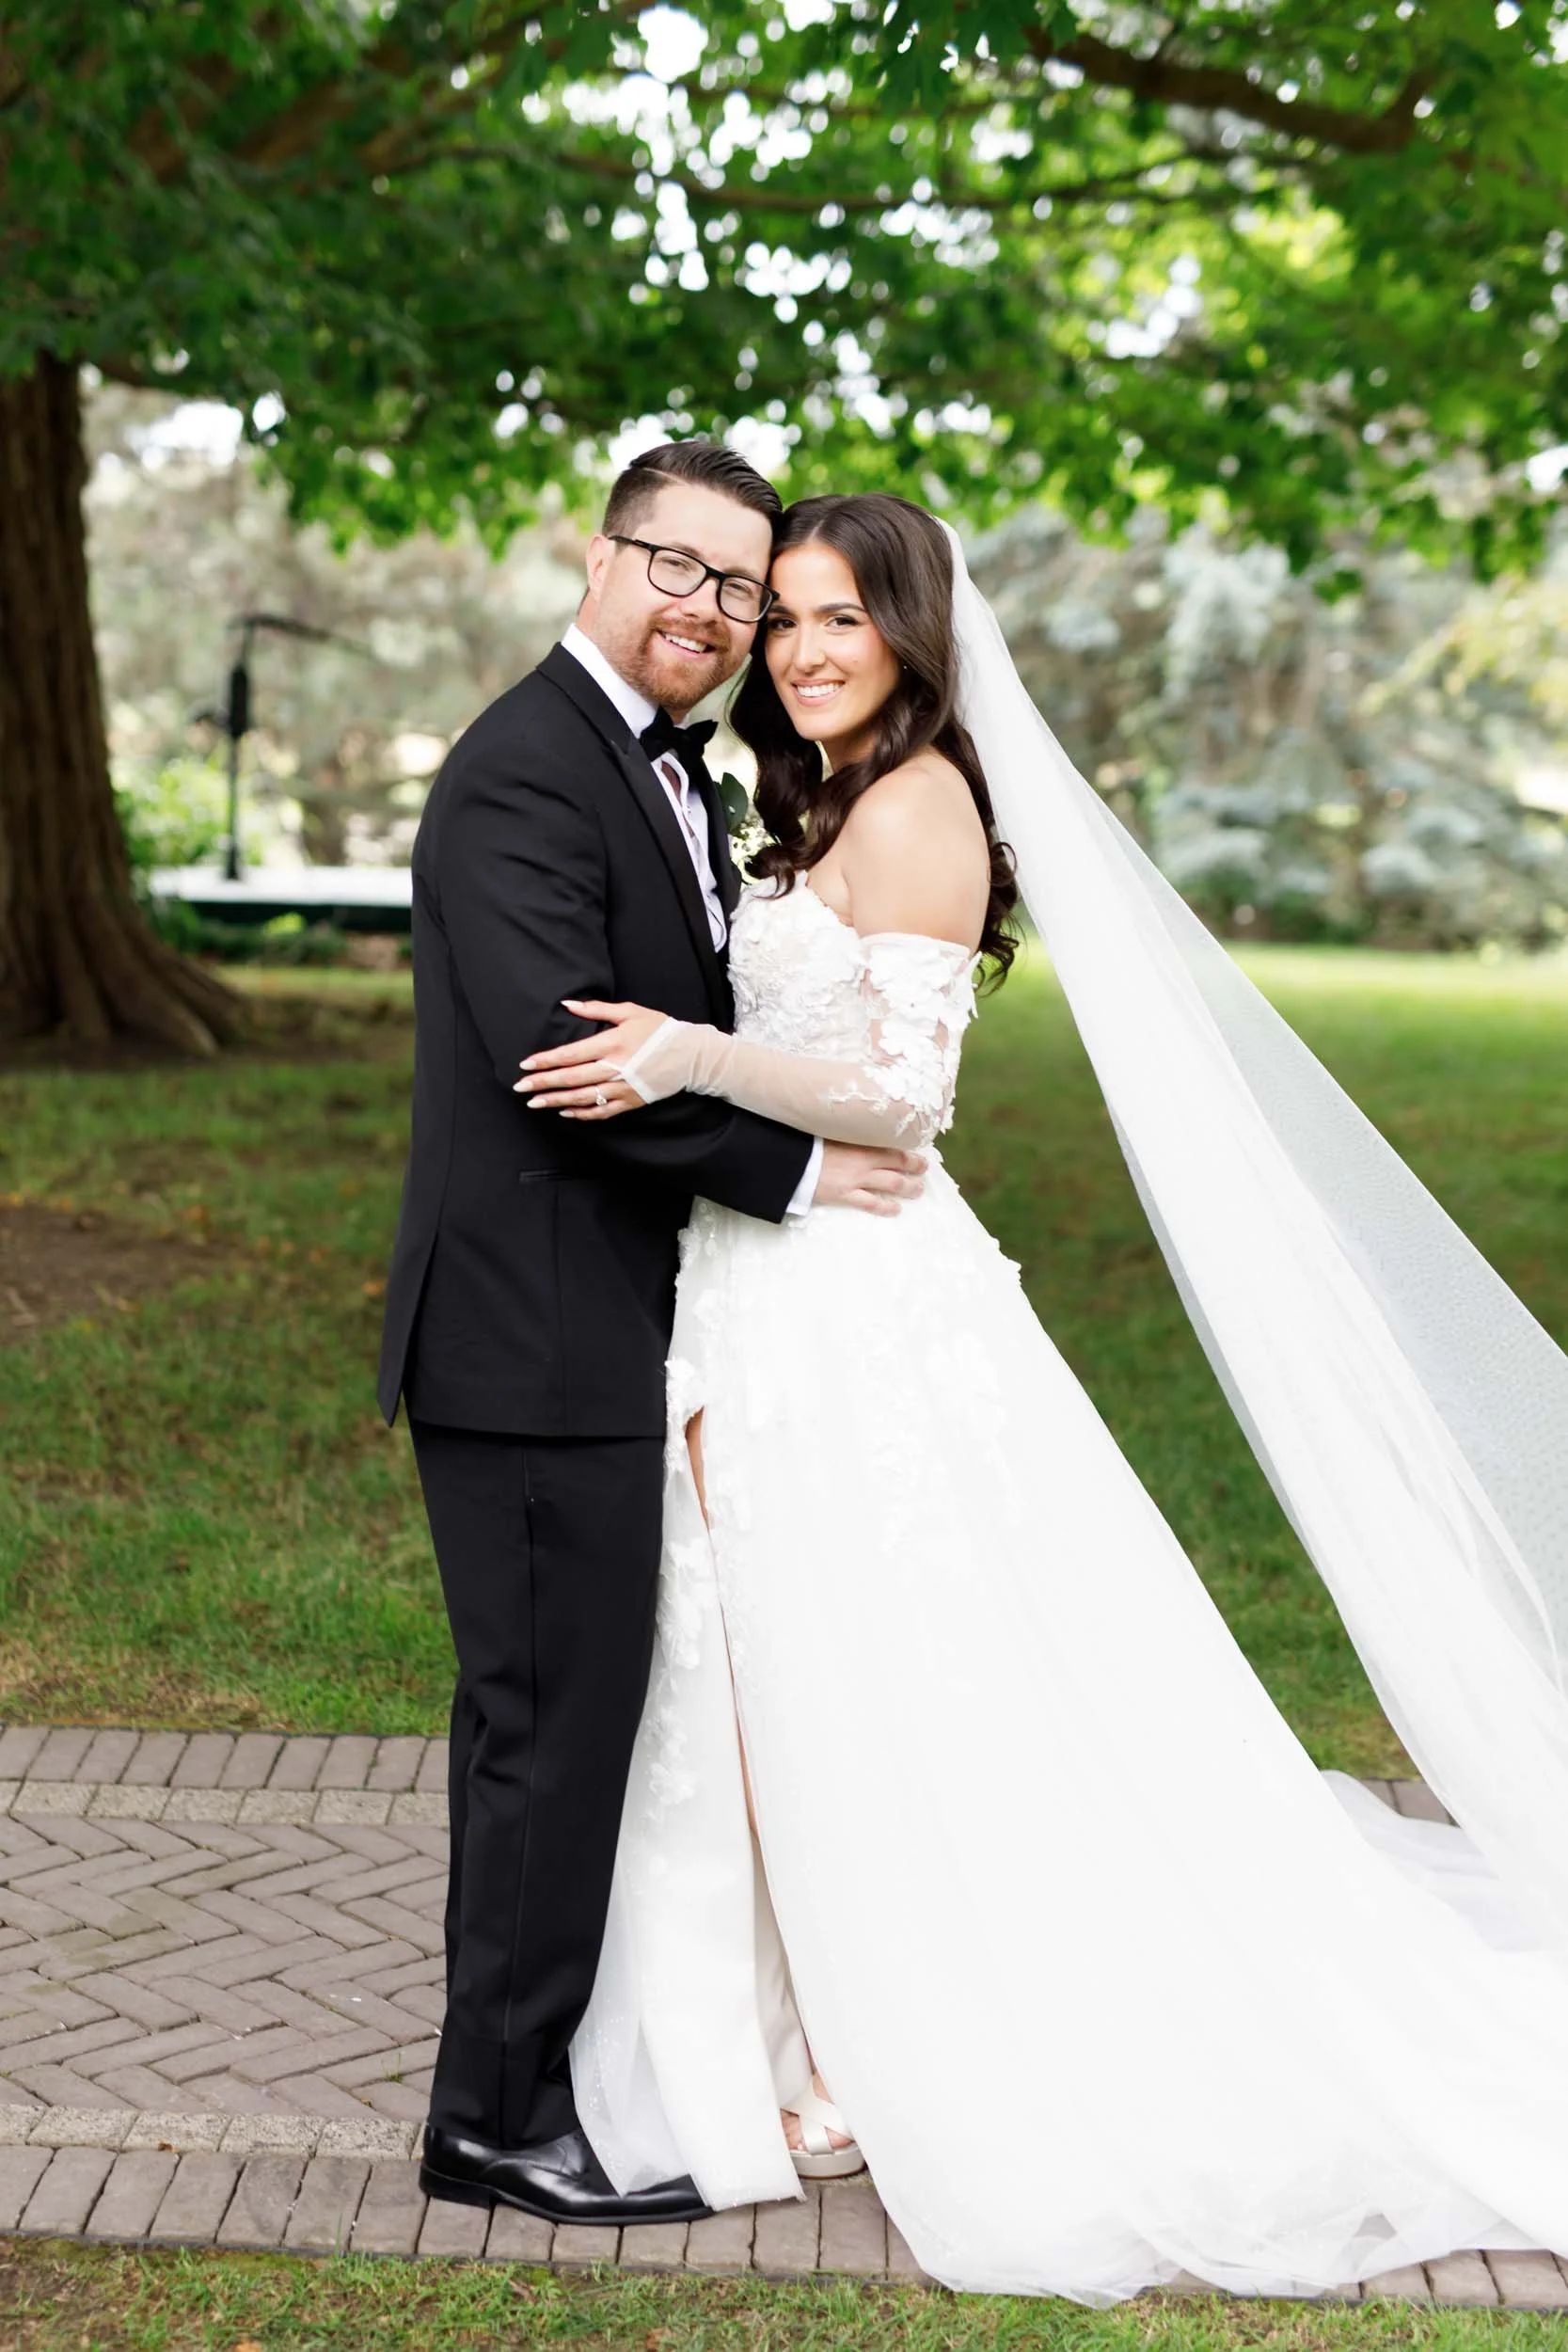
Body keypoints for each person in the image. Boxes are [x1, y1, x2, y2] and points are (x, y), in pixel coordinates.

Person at [518, 492, 1568, 2299]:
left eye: (842, 620)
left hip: (859, 1299)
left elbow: (906, 1098)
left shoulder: (922, 805)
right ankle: (812, 2021)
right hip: (770, 1280)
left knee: (886, 1651)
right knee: (790, 1658)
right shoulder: (819, 801)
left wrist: (681, 1053)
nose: (805, 650)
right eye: (786, 622)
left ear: (917, 639)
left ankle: (902, 2020)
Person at [377, 445, 926, 2228]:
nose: (707, 613)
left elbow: (670, 1031)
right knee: (546, 1732)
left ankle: (543, 2078)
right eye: (674, 570)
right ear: (601, 556)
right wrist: (788, 1165)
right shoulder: (525, 772)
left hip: (615, 1333)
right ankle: (494, 2122)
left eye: (737, 591)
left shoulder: (663, 768)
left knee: (573, 1724)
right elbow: (565, 1073)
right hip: (528, 1342)